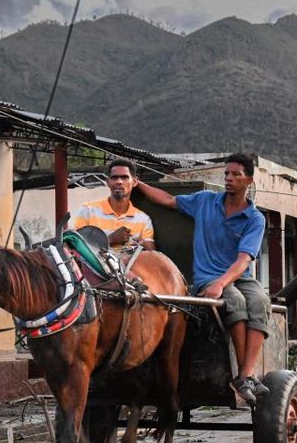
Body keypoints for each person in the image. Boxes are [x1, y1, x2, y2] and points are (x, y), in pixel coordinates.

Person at [134, 153, 270, 405]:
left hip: (238, 275)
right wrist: (138, 183)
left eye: (236, 174)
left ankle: (246, 374)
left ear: (248, 180)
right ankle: (243, 378)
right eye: (226, 173)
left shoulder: (254, 218)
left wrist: (222, 283)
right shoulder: (205, 201)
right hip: (207, 276)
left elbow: (243, 260)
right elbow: (168, 200)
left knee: (260, 301)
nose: (229, 178)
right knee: (236, 301)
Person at [69, 159, 156, 251]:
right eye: (114, 178)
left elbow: (151, 253)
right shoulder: (88, 211)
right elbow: (76, 246)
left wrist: (141, 243)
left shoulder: (143, 219)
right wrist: (109, 239)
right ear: (107, 182)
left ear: (134, 182)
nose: (119, 181)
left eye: (124, 177)